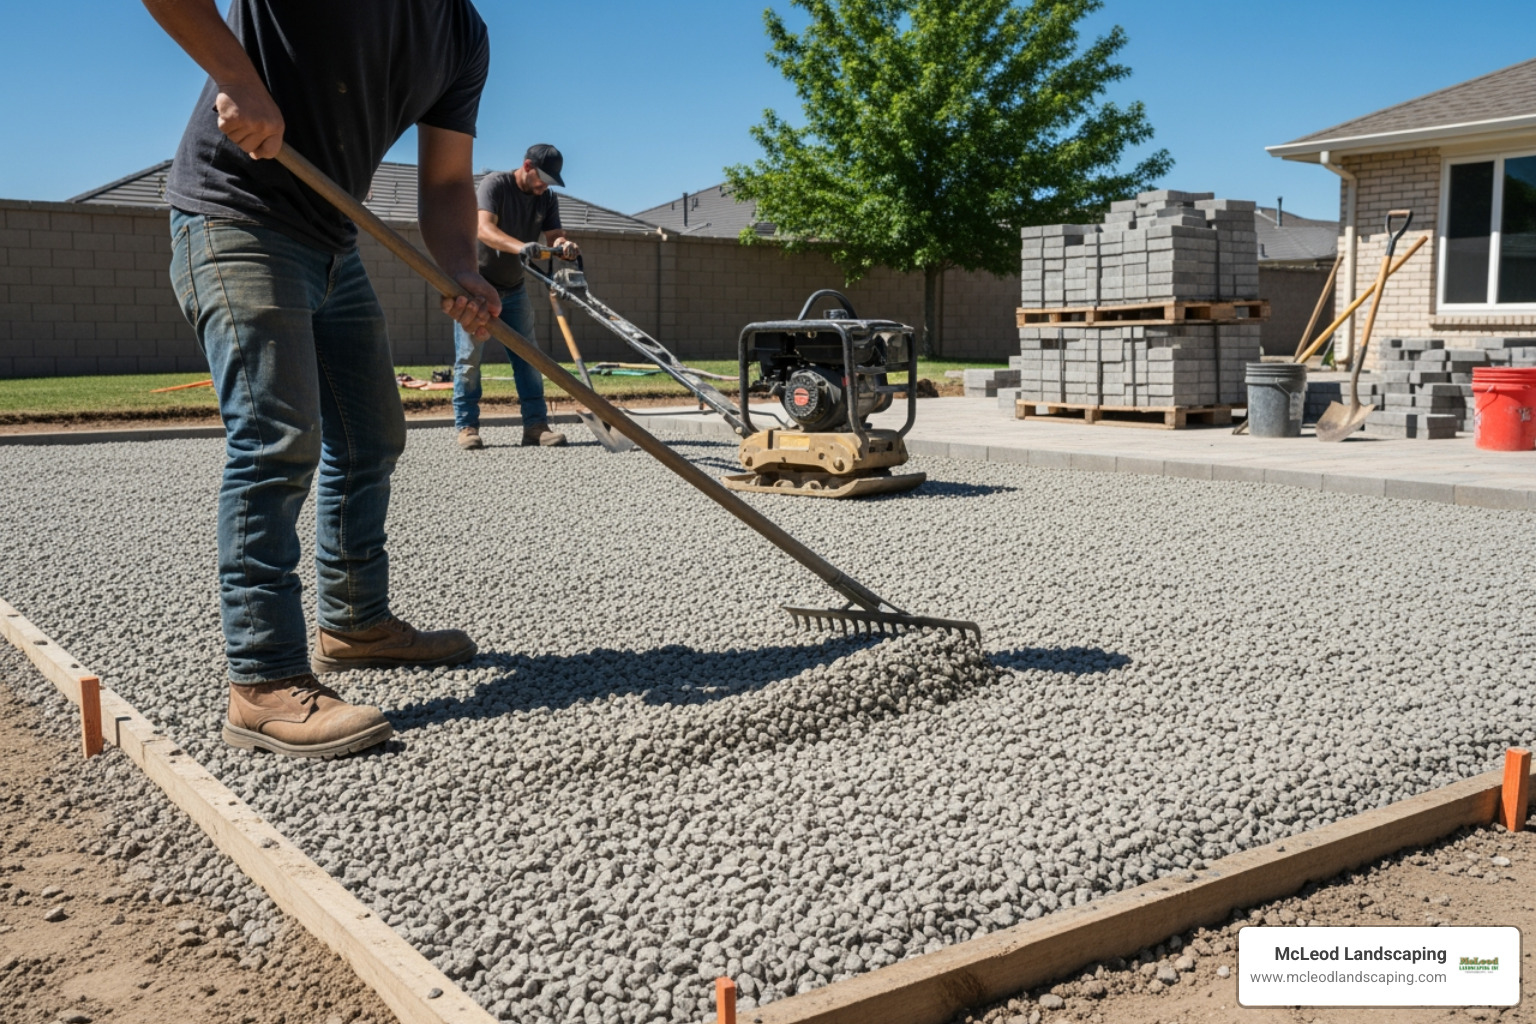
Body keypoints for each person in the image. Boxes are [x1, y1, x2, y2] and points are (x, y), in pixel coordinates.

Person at [144, 0, 497, 758]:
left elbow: (445, 181)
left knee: (371, 434)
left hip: (334, 239)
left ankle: (355, 622)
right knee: (278, 438)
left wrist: (462, 268)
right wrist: (236, 77)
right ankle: (263, 682)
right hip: (235, 213)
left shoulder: (461, 33)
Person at [452, 144, 580, 450]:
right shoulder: (496, 184)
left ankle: (535, 426)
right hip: (478, 285)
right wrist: (521, 245)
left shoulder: (546, 198)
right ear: (526, 166)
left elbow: (554, 237)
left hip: (514, 287)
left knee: (528, 358)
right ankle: (467, 427)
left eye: (549, 181)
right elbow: (484, 229)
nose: (544, 186)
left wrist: (564, 245)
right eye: (542, 179)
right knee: (469, 359)